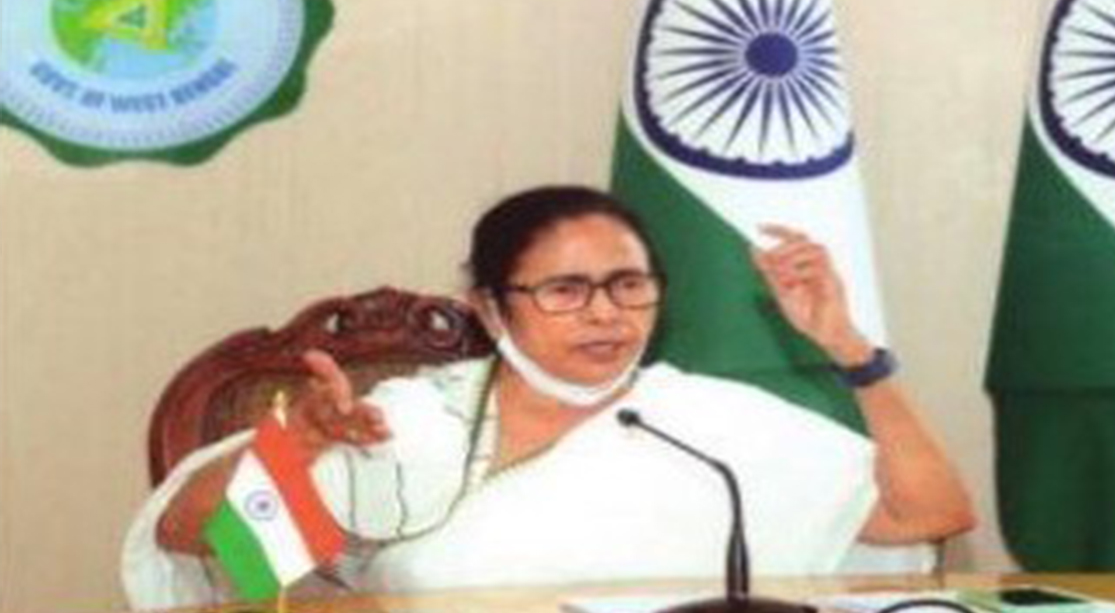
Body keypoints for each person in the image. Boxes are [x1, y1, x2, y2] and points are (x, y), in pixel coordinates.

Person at [123, 186, 974, 609]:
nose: (605, 314)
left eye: (629, 285)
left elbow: (929, 512)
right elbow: (216, 551)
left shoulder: (707, 423)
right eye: (565, 290)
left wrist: (851, 351)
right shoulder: (409, 423)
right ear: (490, 308)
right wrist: (300, 446)